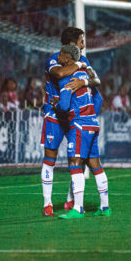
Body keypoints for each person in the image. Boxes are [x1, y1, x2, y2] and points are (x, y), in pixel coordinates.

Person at [40, 27, 102, 217]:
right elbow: (59, 74)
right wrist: (80, 66)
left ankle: (71, 200)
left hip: (75, 116)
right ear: (72, 44)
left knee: (78, 158)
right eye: (81, 41)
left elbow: (96, 81)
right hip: (54, 115)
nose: (84, 45)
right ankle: (48, 203)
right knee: (50, 157)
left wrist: (84, 81)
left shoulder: (84, 60)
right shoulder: (54, 59)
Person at [54, 45, 110, 219]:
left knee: (75, 163)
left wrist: (55, 107)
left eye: (62, 54)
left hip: (79, 125)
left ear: (69, 58)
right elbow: (98, 99)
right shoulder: (85, 75)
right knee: (95, 165)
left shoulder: (67, 78)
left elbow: (63, 106)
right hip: (93, 124)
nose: (58, 56)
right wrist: (90, 114)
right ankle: (105, 207)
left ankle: (78, 208)